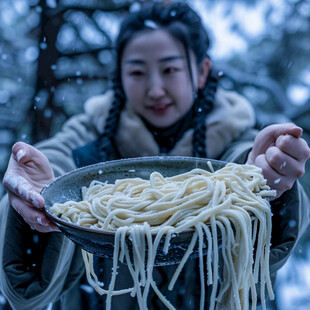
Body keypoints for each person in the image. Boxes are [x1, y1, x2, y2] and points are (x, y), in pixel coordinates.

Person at [1, 2, 310, 310]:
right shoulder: (88, 136)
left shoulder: (235, 140)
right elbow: (58, 160)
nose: (155, 89)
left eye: (170, 69)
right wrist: (38, 190)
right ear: (119, 76)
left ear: (202, 71)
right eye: (137, 72)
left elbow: (243, 165)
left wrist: (263, 180)